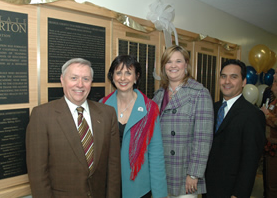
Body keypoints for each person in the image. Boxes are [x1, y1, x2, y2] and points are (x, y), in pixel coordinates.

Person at [26, 58, 121, 197]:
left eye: (86, 79)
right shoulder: (42, 116)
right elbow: (38, 174)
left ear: (91, 82)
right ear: (62, 80)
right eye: (74, 78)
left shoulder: (107, 114)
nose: (80, 84)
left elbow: (113, 168)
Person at [100, 55, 167, 198]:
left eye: (128, 73)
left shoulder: (150, 108)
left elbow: (156, 155)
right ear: (112, 76)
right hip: (108, 185)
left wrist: (160, 194)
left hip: (138, 188)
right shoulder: (102, 105)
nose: (123, 78)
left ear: (136, 77)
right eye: (118, 73)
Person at [152, 45, 214, 197]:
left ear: (186, 64)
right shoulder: (158, 95)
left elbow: (203, 139)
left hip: (184, 173)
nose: (173, 66)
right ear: (163, 66)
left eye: (178, 61)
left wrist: (194, 174)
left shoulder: (199, 93)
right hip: (161, 171)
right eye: (168, 61)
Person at [204, 59, 266, 197]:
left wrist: (239, 194)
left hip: (231, 190)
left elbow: (250, 161)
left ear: (243, 82)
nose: (227, 81)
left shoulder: (253, 115)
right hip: (207, 187)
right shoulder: (211, 108)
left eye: (234, 77)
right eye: (223, 76)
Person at [260, 68, 277, 198]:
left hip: (275, 148)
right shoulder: (274, 101)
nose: (271, 87)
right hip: (268, 148)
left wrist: (267, 115)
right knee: (267, 182)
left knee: (272, 186)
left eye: (275, 83)